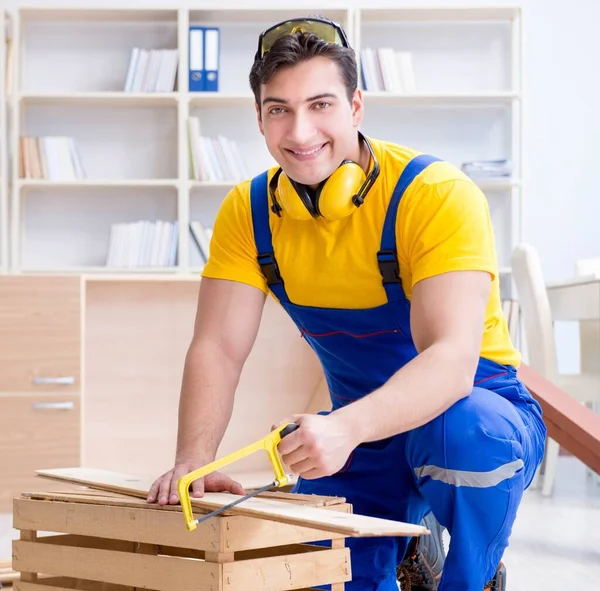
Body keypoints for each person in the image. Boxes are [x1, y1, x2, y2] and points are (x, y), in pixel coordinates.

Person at [147, 16, 546, 591]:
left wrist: (345, 429)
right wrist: (193, 461)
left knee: (466, 434)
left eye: (321, 104)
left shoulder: (433, 196)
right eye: (279, 108)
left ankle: (473, 574)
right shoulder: (250, 214)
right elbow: (218, 347)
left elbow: (454, 360)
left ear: (356, 106)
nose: (301, 130)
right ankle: (415, 540)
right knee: (319, 574)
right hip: (359, 436)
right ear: (259, 118)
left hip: (475, 407)